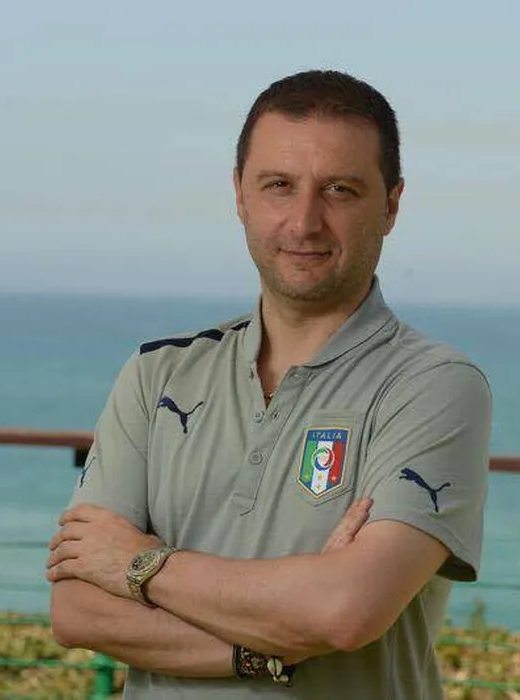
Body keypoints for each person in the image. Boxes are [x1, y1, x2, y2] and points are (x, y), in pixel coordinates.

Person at [46, 69, 493, 699]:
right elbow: (78, 611)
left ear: (391, 205)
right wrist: (274, 644)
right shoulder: (157, 374)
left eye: (339, 190)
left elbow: (345, 612)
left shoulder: (434, 387)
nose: (304, 222)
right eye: (279, 185)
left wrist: (136, 564)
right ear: (240, 195)